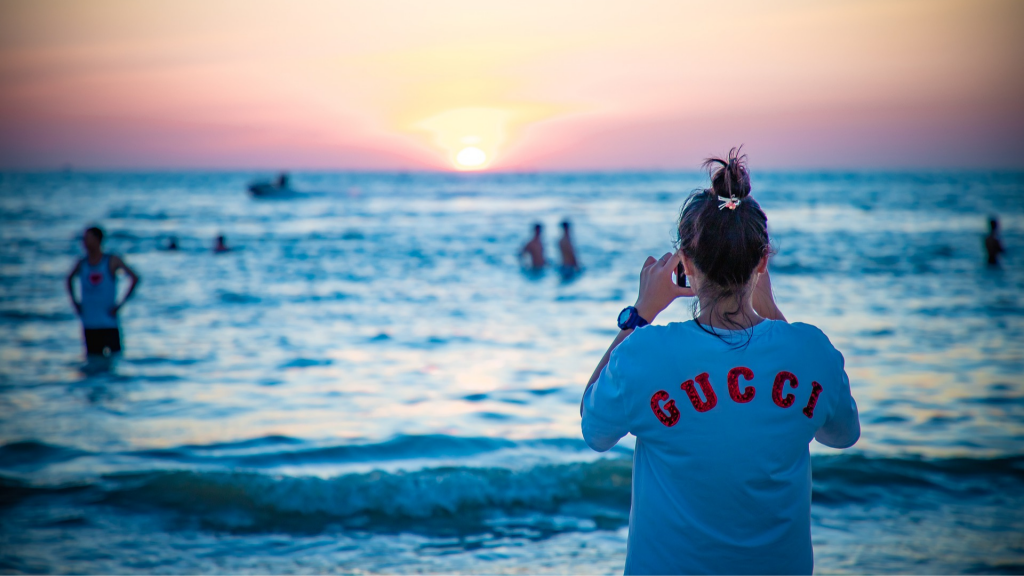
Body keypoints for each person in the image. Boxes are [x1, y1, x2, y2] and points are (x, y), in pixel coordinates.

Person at [581, 148, 859, 575]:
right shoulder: (812, 350)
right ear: (762, 261)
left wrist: (640, 314)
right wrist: (774, 314)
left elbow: (593, 426)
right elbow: (842, 434)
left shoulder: (645, 353)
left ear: (686, 265)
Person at [65, 226, 140, 357]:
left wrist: (120, 304)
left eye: (88, 239)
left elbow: (134, 278)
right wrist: (75, 303)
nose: (85, 242)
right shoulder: (82, 263)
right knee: (92, 363)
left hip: (109, 323)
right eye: (84, 239)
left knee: (114, 361)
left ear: (98, 240)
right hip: (89, 324)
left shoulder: (111, 261)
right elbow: (69, 280)